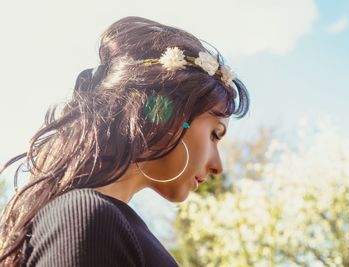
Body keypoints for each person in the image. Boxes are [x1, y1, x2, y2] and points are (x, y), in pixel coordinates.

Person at [0, 16, 250, 266]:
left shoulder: (106, 223)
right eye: (214, 135)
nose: (218, 166)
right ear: (168, 116)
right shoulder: (88, 218)